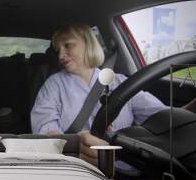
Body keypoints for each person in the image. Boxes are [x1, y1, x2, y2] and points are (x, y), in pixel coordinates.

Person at [31, 23, 167, 165]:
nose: (60, 55)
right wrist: (74, 145)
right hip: (77, 167)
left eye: (68, 45)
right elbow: (44, 129)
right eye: (58, 50)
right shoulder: (53, 85)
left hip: (126, 168)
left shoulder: (120, 82)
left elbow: (161, 117)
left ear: (88, 43)